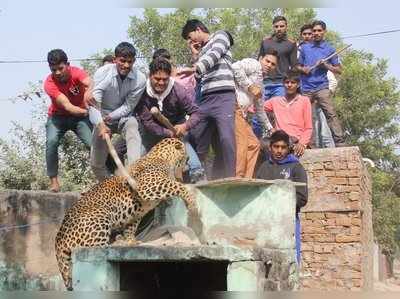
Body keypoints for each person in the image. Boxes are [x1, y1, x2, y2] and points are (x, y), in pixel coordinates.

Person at [179, 19, 236, 179]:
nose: (191, 42)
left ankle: (231, 177)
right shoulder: (202, 52)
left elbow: (214, 55)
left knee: (226, 138)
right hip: (205, 100)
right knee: (194, 137)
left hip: (224, 97)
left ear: (198, 29)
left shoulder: (221, 36)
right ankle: (193, 178)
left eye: (190, 37)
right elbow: (198, 76)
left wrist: (196, 66)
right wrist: (196, 55)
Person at [135, 58, 205, 182]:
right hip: (151, 132)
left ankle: (197, 174)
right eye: (157, 79)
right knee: (140, 163)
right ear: (150, 76)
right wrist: (168, 133)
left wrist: (185, 126)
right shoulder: (141, 93)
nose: (161, 83)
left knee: (191, 159)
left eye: (165, 79)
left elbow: (197, 113)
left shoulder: (178, 90)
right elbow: (148, 123)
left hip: (177, 127)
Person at [89, 42, 146, 182]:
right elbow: (94, 103)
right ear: (115, 60)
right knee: (96, 165)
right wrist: (101, 123)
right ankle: (113, 189)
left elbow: (129, 105)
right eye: (122, 61)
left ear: (134, 61)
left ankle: (134, 173)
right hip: (101, 119)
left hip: (123, 117)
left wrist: (111, 116)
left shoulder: (140, 79)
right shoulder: (103, 72)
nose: (126, 65)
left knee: (133, 126)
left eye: (130, 61)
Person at [43, 49, 93, 192]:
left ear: (68, 65)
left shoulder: (77, 72)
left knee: (93, 144)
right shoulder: (49, 83)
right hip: (58, 117)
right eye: (54, 70)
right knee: (51, 142)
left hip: (80, 119)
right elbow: (68, 106)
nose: (57, 72)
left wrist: (89, 91)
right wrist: (88, 112)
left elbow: (90, 82)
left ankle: (103, 179)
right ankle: (54, 181)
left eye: (60, 68)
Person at [256, 130, 308, 264]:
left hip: (288, 221)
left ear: (288, 148)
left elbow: (302, 198)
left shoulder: (296, 167)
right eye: (276, 147)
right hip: (266, 222)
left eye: (283, 147)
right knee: (265, 260)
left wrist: (280, 203)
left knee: (291, 261)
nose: (279, 150)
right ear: (270, 147)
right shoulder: (263, 168)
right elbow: (257, 193)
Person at [296, 20, 346, 147]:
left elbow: (339, 70)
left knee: (330, 114)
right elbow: (297, 66)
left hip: (322, 87)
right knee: (307, 118)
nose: (316, 33)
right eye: (314, 31)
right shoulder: (304, 48)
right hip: (306, 89)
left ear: (324, 32)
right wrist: (304, 69)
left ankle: (340, 142)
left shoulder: (330, 49)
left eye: (319, 30)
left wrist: (326, 65)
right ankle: (308, 145)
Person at [231, 50, 277, 178]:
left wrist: (270, 128)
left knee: (254, 144)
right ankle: (238, 177)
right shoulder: (254, 64)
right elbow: (235, 67)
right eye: (267, 61)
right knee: (243, 142)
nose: (269, 65)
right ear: (261, 59)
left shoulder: (261, 84)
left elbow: (260, 110)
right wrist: (250, 86)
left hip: (242, 114)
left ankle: (247, 177)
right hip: (233, 107)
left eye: (273, 64)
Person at [263, 71, 312, 157]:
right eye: (287, 82)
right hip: (279, 139)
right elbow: (255, 108)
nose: (289, 85)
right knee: (263, 143)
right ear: (283, 84)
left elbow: (308, 128)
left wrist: (302, 143)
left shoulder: (304, 101)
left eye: (292, 82)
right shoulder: (275, 101)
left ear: (298, 85)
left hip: (295, 140)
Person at [258, 16, 297, 100]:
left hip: (280, 84)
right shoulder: (265, 41)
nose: (279, 29)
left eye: (281, 26)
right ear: (273, 27)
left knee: (278, 111)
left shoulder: (291, 43)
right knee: (260, 111)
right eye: (276, 26)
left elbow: (294, 67)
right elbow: (260, 59)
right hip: (264, 83)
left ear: (286, 27)